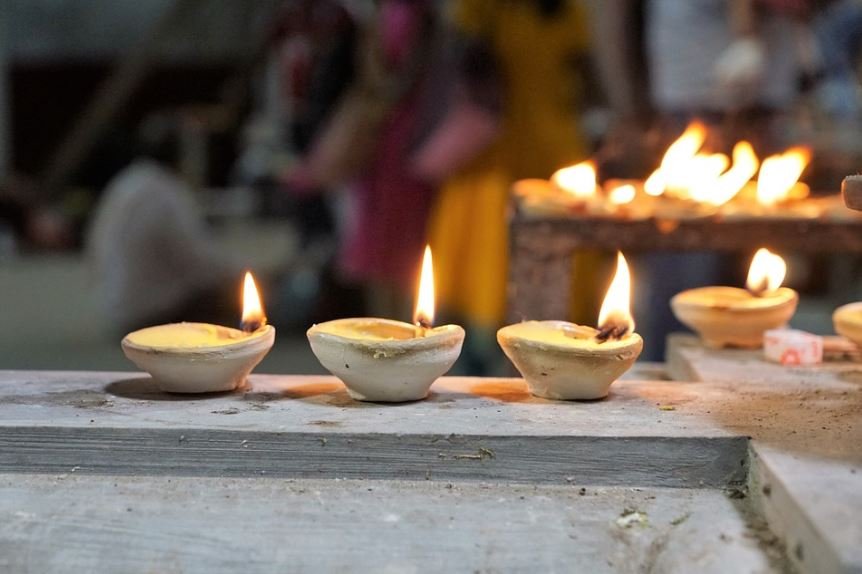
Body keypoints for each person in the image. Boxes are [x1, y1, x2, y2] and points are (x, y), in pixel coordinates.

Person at [412, 0, 594, 372]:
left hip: (501, 154)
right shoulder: (561, 11)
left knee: (487, 279)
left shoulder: (481, 10)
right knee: (503, 277)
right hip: (524, 151)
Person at [87, 114, 238, 335]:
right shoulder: (165, 192)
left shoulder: (126, 182)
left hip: (115, 305)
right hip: (150, 313)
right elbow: (199, 262)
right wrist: (244, 272)